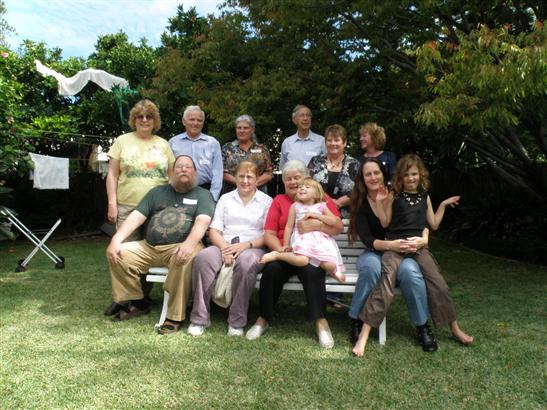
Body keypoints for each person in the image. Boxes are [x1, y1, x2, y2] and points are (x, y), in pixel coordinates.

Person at [353, 154, 474, 357]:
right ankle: (363, 337)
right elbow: (384, 223)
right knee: (385, 285)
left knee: (439, 284)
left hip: (418, 247)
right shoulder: (394, 195)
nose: (411, 178)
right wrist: (383, 203)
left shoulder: (425, 197)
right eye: (407, 175)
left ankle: (455, 329)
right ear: (400, 176)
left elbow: (433, 224)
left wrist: (442, 206)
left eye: (414, 174)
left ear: (421, 175)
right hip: (395, 247)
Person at [105, 155, 215, 334]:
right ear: (172, 172)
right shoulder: (157, 192)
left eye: (188, 167)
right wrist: (116, 239)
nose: (184, 170)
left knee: (185, 257)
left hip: (182, 246)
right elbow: (136, 217)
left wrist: (189, 244)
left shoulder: (203, 195)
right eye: (179, 167)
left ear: (195, 172)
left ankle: (175, 315)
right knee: (119, 253)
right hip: (149, 247)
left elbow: (202, 222)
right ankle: (138, 302)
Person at [246, 160, 344, 349]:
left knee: (313, 271)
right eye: (288, 179)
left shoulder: (321, 199)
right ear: (284, 182)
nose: (293, 182)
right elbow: (270, 233)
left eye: (297, 178)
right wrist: (281, 249)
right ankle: (262, 319)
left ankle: (321, 323)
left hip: (312, 251)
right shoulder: (280, 201)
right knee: (272, 269)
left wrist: (318, 225)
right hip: (288, 251)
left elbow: (338, 226)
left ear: (306, 179)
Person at [347, 158, 436, 352]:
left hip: (400, 254)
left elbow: (418, 218)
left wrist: (424, 237)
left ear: (383, 174)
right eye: (367, 174)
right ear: (362, 178)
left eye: (376, 172)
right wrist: (391, 245)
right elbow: (367, 239)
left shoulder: (396, 193)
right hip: (374, 252)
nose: (373, 177)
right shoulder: (361, 203)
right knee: (372, 268)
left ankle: (422, 326)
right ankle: (356, 319)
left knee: (411, 272)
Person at [105, 99, 175, 316]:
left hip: (157, 210)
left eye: (149, 116)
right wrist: (112, 203)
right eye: (140, 116)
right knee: (121, 253)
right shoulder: (121, 141)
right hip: (127, 206)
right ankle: (125, 298)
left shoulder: (163, 144)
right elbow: (112, 174)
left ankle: (141, 298)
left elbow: (171, 178)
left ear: (155, 121)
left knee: (149, 252)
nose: (144, 120)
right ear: (134, 119)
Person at [188, 161, 272, 337]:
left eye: (250, 177)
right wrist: (226, 248)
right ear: (235, 178)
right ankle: (199, 318)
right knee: (203, 258)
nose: (245, 180)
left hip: (253, 247)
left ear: (257, 180)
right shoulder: (225, 199)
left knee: (247, 263)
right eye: (241, 176)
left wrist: (245, 246)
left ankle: (236, 321)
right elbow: (214, 231)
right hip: (223, 244)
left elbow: (268, 235)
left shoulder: (266, 201)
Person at [260, 177, 345, 283]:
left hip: (319, 242)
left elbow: (333, 221)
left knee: (330, 265)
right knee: (303, 260)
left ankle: (333, 271)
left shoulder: (322, 206)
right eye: (300, 187)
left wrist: (317, 216)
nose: (301, 188)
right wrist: (285, 245)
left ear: (316, 194)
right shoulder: (295, 206)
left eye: (307, 187)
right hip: (302, 239)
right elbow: (288, 227)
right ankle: (277, 255)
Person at [169, 105, 223, 201]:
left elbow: (218, 174)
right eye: (192, 119)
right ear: (184, 121)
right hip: (178, 192)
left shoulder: (213, 143)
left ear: (203, 123)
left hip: (205, 191)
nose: (195, 123)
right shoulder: (173, 142)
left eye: (199, 120)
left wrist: (212, 198)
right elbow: (169, 171)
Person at [308, 124, 359, 218]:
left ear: (344, 143)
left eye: (337, 140)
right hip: (318, 214)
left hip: (347, 217)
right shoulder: (315, 162)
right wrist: (329, 203)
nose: (333, 143)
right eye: (329, 140)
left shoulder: (354, 164)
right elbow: (308, 185)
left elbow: (359, 190)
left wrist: (338, 203)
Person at [221, 114, 273, 193]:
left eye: (245, 128)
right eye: (239, 128)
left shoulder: (261, 149)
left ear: (252, 130)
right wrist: (241, 183)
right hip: (232, 194)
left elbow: (269, 173)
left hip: (258, 194)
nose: (242, 131)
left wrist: (253, 184)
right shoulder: (227, 148)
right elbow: (222, 173)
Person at [279, 105, 325, 169]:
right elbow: (283, 169)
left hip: (314, 179)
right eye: (302, 115)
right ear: (294, 120)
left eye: (308, 115)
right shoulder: (287, 143)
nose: (305, 118)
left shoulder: (322, 141)